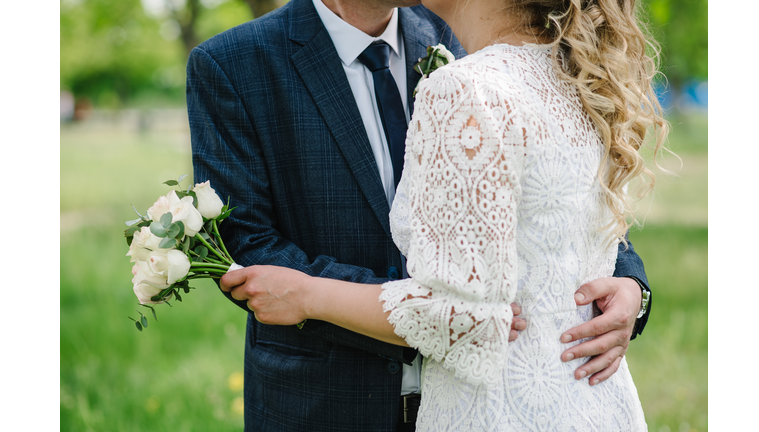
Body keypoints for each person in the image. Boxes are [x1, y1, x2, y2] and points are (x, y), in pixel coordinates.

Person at [189, 0, 655, 430]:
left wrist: (634, 288)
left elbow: (563, 201)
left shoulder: (465, 32)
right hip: (328, 399)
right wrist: (433, 309)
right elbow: (247, 241)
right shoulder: (233, 64)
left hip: (498, 398)